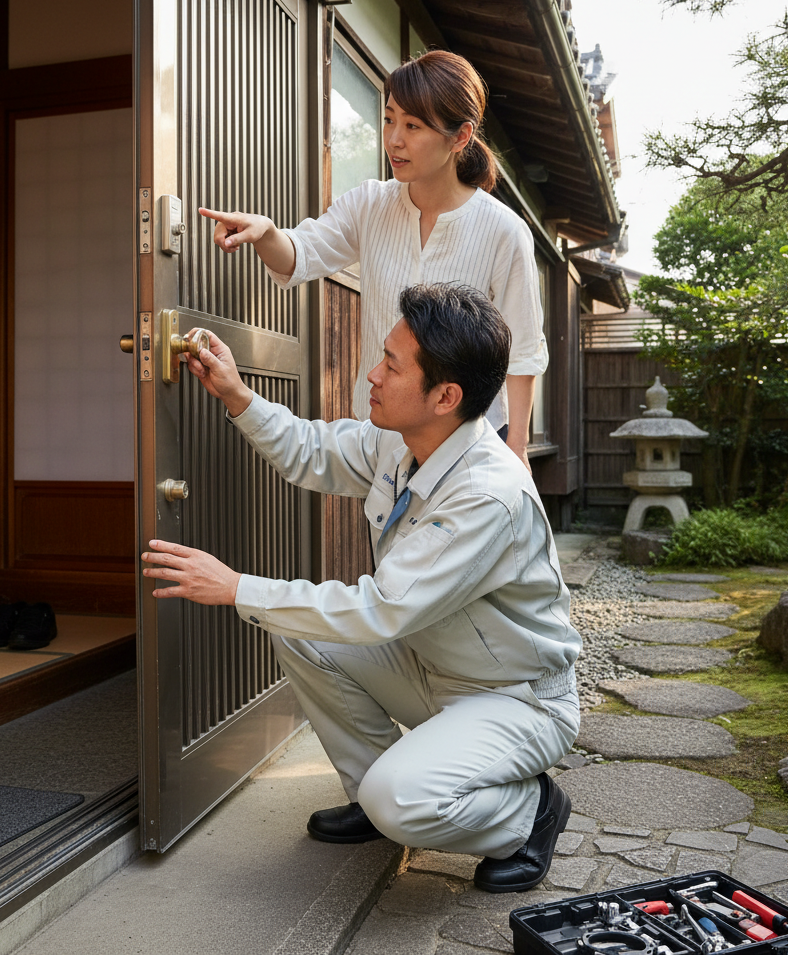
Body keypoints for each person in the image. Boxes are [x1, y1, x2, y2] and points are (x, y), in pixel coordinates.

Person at [140, 283, 580, 893]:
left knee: (400, 799)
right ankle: (374, 796)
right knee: (296, 629)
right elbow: (311, 451)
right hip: (431, 664)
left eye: (392, 365)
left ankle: (528, 814)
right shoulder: (403, 441)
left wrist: (236, 586)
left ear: (444, 396)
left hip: (513, 697)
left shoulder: (487, 495)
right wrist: (237, 395)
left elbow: (382, 610)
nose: (372, 375)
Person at [198, 50, 547, 472]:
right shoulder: (370, 203)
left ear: (460, 137)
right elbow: (302, 254)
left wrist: (517, 446)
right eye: (388, 119)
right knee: (386, 539)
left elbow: (523, 349)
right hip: (380, 438)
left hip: (467, 448)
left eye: (413, 126)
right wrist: (267, 233)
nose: (394, 139)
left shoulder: (504, 231)